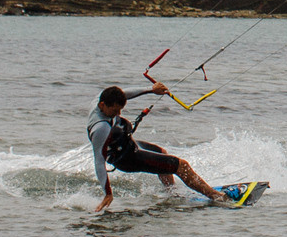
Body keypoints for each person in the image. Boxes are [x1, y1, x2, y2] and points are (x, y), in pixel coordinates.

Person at [89, 83, 225, 211]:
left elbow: (125, 94)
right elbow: (99, 162)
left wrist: (151, 89)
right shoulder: (100, 128)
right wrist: (108, 193)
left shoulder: (101, 98)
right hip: (127, 158)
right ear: (102, 105)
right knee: (182, 166)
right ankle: (218, 197)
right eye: (115, 110)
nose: (118, 114)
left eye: (120, 110)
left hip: (127, 144)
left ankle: (171, 194)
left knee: (162, 152)